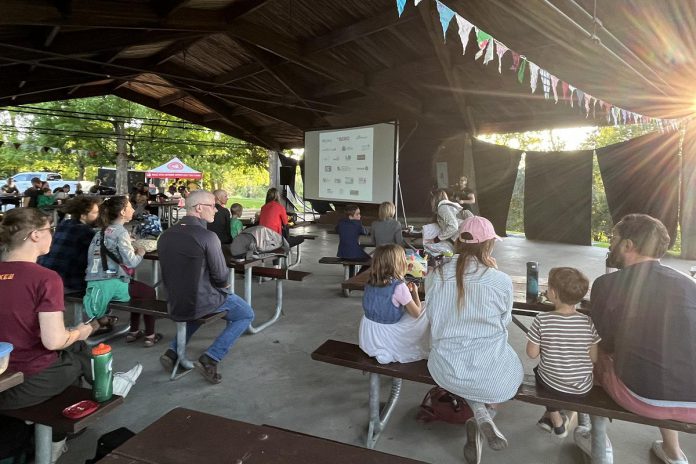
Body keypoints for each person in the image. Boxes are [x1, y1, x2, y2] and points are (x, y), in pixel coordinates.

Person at [0, 208, 141, 463]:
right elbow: (53, 341)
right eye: (49, 230)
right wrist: (87, 328)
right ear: (34, 236)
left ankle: (107, 383)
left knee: (78, 349)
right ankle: (56, 443)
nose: (51, 235)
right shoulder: (45, 279)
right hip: (25, 383)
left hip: (5, 375)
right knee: (77, 357)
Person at [578, 214, 696, 464]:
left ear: (628, 245)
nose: (610, 245)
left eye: (613, 239)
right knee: (667, 356)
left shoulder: (606, 284)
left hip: (643, 398)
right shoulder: (689, 284)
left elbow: (607, 343)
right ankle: (673, 453)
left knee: (592, 351)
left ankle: (597, 440)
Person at [426, 216, 523, 463]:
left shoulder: (434, 276)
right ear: (488, 245)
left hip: (445, 367)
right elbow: (504, 323)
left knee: (466, 371)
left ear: (458, 241)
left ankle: (480, 414)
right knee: (496, 367)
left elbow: (432, 317)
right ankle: (484, 413)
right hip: (488, 372)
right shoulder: (500, 281)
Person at [157, 190, 255, 384]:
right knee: (245, 314)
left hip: (174, 299)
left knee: (197, 309)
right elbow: (221, 276)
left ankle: (173, 351)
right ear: (199, 208)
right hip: (202, 299)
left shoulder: (166, 235)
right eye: (212, 206)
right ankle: (211, 358)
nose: (216, 211)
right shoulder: (207, 236)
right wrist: (225, 287)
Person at [526, 267, 599, 438]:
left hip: (552, 386)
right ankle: (558, 417)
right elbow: (594, 358)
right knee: (558, 377)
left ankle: (556, 419)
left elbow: (531, 354)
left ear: (552, 292)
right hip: (582, 389)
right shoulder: (588, 322)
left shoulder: (541, 319)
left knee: (540, 373)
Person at [83, 197, 161, 347]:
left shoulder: (100, 232)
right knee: (149, 292)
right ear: (123, 211)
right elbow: (131, 262)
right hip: (111, 283)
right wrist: (141, 252)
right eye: (130, 207)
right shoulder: (121, 232)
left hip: (94, 280)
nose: (133, 209)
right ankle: (150, 335)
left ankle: (134, 331)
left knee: (136, 291)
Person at [359, 244, 428, 364]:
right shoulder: (399, 286)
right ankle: (388, 349)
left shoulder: (370, 281)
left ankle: (378, 349)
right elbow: (416, 313)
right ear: (398, 263)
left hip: (367, 334)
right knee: (426, 307)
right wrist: (415, 292)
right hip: (387, 335)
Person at [38, 196, 101, 295]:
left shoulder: (63, 224)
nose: (98, 215)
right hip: (69, 283)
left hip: (46, 278)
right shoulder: (86, 232)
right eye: (94, 213)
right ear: (83, 215)